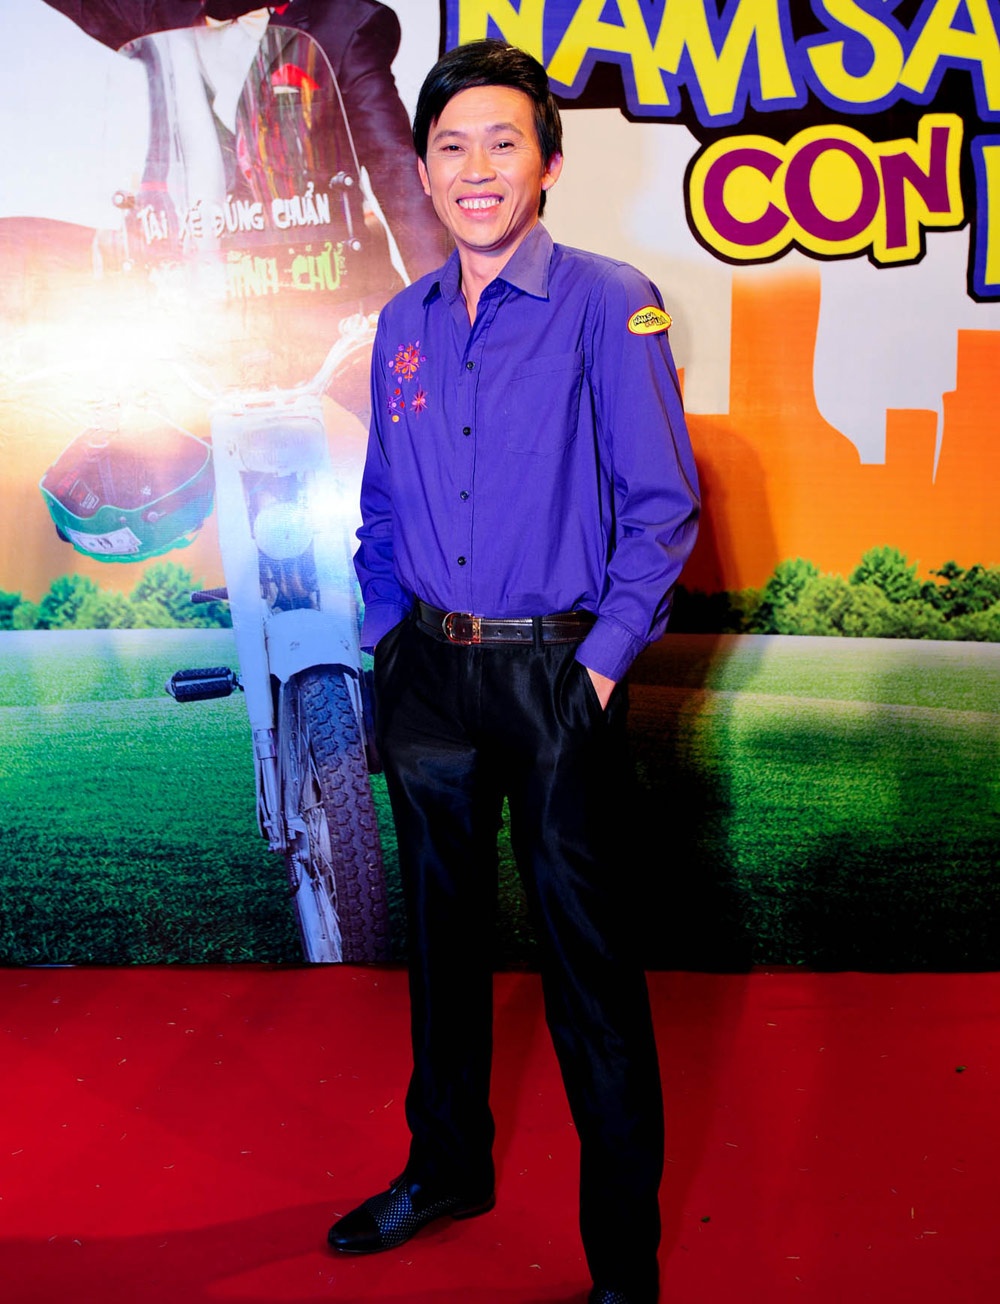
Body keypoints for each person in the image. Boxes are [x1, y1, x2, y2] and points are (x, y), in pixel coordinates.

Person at [329, 39, 700, 1304]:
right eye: (451, 145)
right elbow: (382, 503)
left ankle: (622, 1263)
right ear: (423, 167)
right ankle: (444, 1168)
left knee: (588, 975)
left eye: (502, 141)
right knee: (440, 953)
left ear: (548, 160)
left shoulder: (609, 301)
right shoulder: (401, 322)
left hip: (555, 681)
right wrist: (389, 639)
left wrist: (595, 670)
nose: (476, 168)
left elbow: (661, 508)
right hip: (430, 679)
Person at [41, 0, 449, 281]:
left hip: (326, 298)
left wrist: (445, 311)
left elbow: (396, 173)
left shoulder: (343, 24)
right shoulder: (162, 14)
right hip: (202, 313)